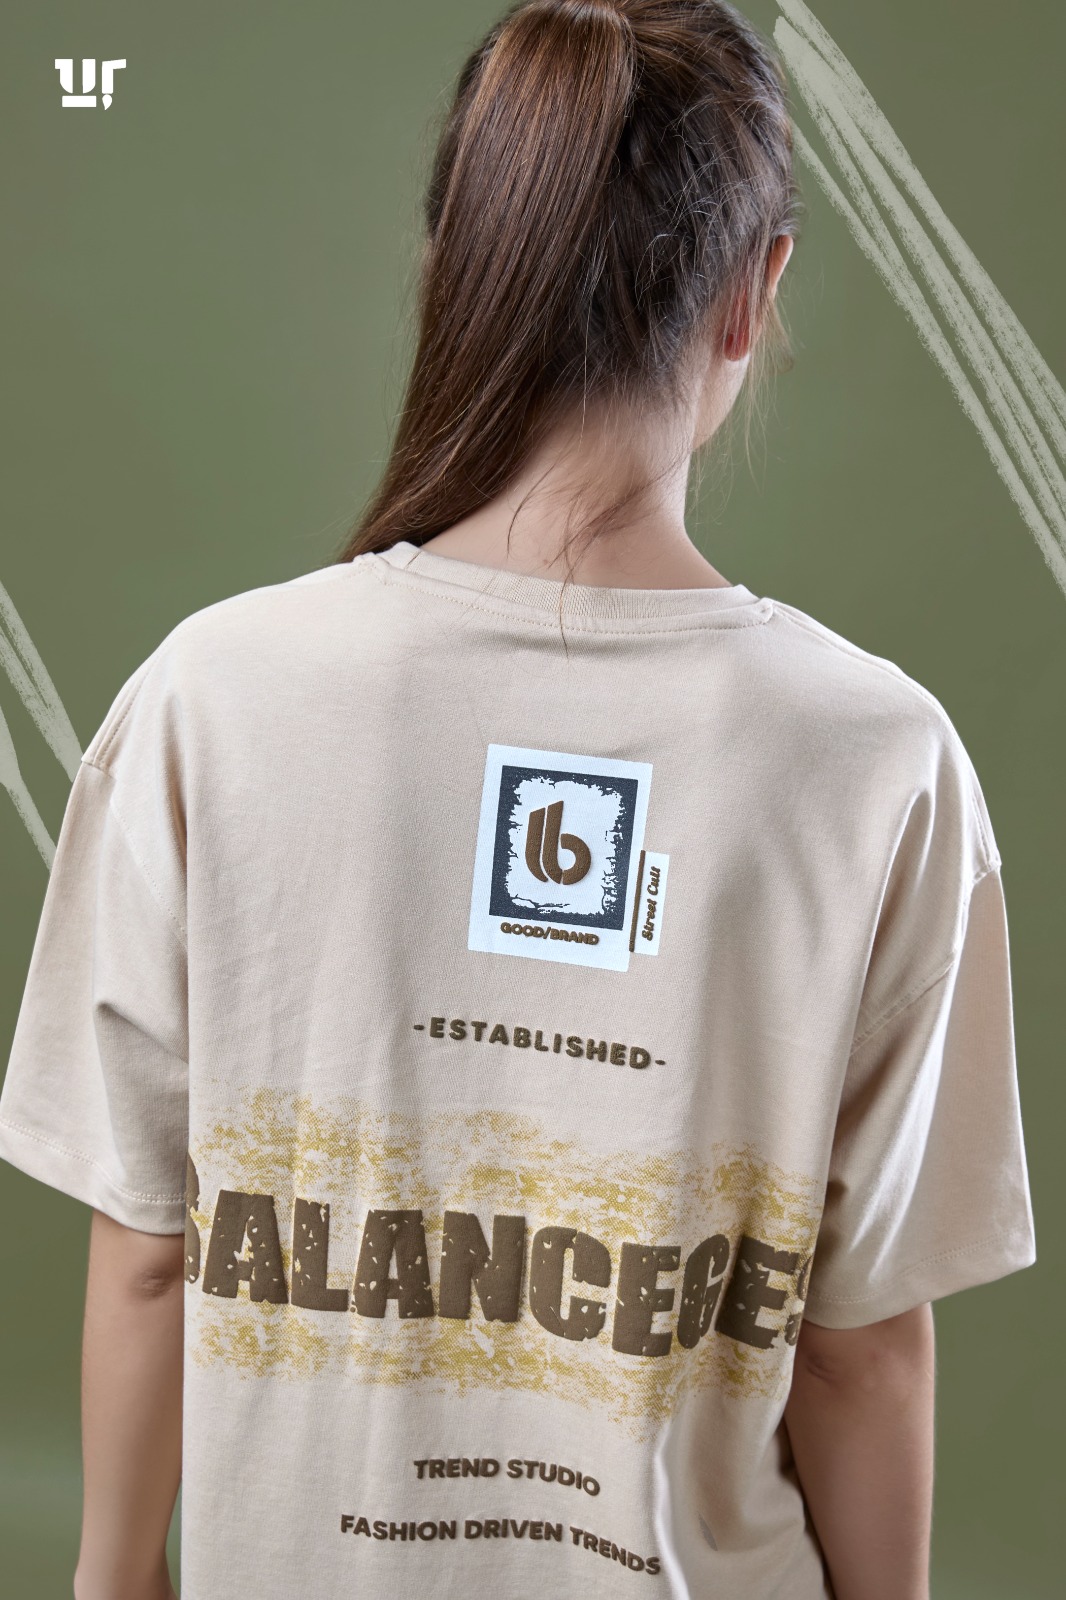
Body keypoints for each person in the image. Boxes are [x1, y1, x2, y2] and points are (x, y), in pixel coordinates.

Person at [0, 2, 1037, 1598]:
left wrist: (112, 1579)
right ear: (755, 292)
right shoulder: (878, 760)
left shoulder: (207, 697)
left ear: (452, 263)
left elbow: (149, 1254)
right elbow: (861, 1348)